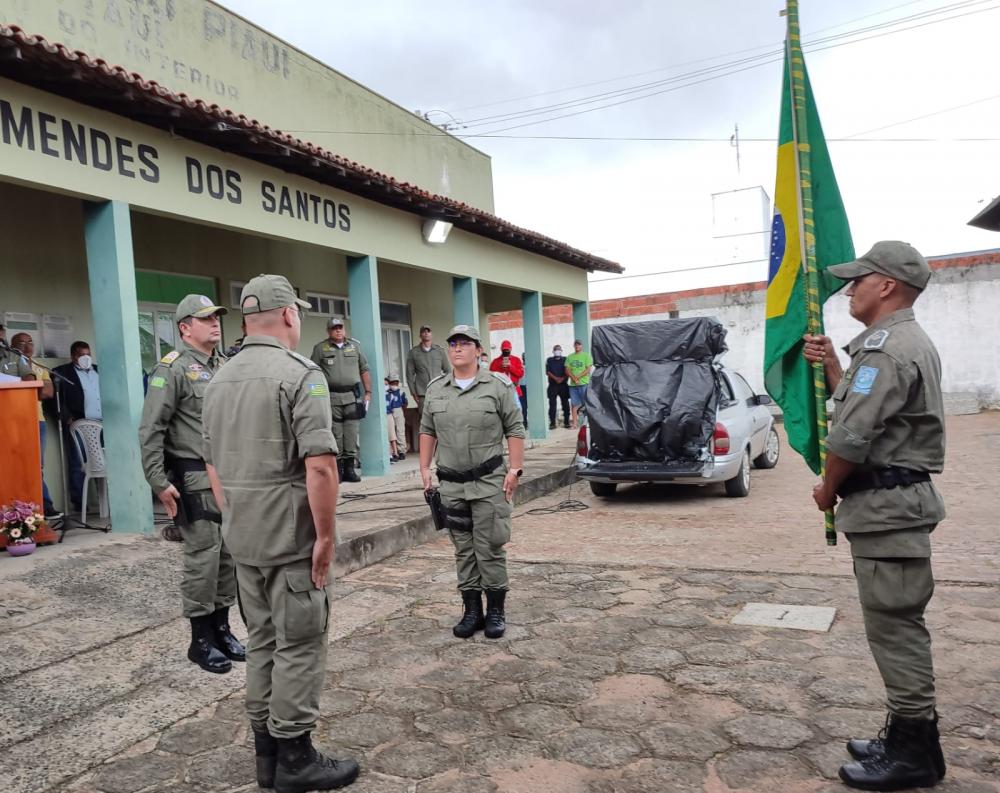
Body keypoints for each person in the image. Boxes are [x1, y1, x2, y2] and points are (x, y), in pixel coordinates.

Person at [203, 274, 359, 792]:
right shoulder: (301, 373)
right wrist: (326, 537)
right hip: (292, 537)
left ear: (247, 320)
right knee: (300, 643)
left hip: (244, 536)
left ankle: (266, 757)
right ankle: (295, 757)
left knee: (263, 639)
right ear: (290, 314)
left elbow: (213, 467)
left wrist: (236, 517)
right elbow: (320, 469)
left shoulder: (218, 377)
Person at [803, 241, 946, 791]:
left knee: (895, 628)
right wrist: (838, 366)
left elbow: (853, 434)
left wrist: (827, 486)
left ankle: (915, 753)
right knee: (893, 624)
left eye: (858, 280)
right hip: (890, 506)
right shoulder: (892, 345)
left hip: (887, 508)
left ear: (886, 284)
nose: (848, 289)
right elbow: (868, 410)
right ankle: (910, 736)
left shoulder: (887, 348)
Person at [138, 295, 245, 675]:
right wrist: (158, 480)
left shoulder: (225, 365)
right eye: (205, 319)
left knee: (228, 555)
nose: (215, 323)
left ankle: (223, 629)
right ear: (185, 327)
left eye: (217, 317)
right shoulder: (172, 369)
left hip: (228, 475)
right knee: (203, 557)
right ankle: (200, 640)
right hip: (193, 476)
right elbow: (151, 429)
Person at [420, 325, 526, 640]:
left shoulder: (498, 386)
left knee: (489, 546)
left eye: (465, 343)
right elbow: (428, 430)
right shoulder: (436, 388)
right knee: (463, 549)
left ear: (478, 350)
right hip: (452, 484)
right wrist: (424, 467)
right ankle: (471, 610)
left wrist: (515, 470)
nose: (457, 348)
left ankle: (495, 610)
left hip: (490, 481)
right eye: (452, 343)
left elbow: (515, 429)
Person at [310, 317, 371, 483]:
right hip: (331, 397)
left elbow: (364, 369)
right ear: (329, 331)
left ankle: (350, 469)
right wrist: (316, 397)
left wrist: (368, 392)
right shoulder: (320, 348)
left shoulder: (355, 346)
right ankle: (337, 470)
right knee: (335, 434)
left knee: (351, 433)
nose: (338, 330)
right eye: (334, 328)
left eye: (340, 327)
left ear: (344, 329)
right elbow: (312, 374)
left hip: (352, 397)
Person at [9, 333, 60, 518]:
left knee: (37, 465)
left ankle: (44, 506)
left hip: (38, 421)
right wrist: (32, 388)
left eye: (30, 342)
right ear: (12, 346)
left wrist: (28, 388)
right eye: (21, 343)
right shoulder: (10, 364)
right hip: (13, 420)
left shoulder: (38, 365)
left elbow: (47, 392)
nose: (27, 346)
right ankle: (22, 510)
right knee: (16, 466)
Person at [54, 340, 101, 511]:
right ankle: (79, 503)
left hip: (103, 424)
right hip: (80, 424)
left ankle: (107, 499)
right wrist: (67, 417)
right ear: (73, 356)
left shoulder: (98, 370)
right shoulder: (63, 373)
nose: (86, 358)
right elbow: (55, 399)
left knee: (104, 461)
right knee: (78, 462)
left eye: (88, 354)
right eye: (82, 355)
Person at [405, 325, 450, 419]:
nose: (426, 333)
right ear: (420, 335)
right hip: (422, 393)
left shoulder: (439, 351)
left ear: (431, 334)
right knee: (424, 419)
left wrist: (446, 388)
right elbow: (409, 374)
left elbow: (448, 371)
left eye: (428, 331)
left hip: (438, 391)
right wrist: (413, 393)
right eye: (423, 331)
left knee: (440, 418)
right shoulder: (414, 352)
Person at [565, 339, 593, 429]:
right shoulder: (570, 357)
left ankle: (587, 423)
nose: (577, 346)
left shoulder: (586, 356)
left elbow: (588, 369)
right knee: (574, 404)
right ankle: (575, 424)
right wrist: (573, 378)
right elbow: (567, 370)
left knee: (586, 404)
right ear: (574, 346)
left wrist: (578, 377)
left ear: (581, 346)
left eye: (579, 345)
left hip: (584, 383)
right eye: (576, 345)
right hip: (573, 385)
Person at [545, 344, 570, 430]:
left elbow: (568, 371)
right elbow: (547, 372)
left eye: (559, 349)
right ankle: (552, 423)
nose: (557, 351)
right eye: (556, 349)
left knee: (565, 404)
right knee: (552, 405)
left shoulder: (565, 359)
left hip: (563, 385)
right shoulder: (549, 360)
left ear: (561, 351)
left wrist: (562, 378)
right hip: (553, 386)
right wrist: (556, 379)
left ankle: (566, 422)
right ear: (553, 351)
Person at [385, 372, 408, 462]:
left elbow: (405, 403)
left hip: (398, 410)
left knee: (400, 430)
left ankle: (402, 450)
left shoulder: (401, 392)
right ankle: (392, 453)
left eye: (396, 383)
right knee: (391, 433)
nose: (394, 385)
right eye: (392, 383)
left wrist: (401, 411)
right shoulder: (386, 391)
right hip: (389, 411)